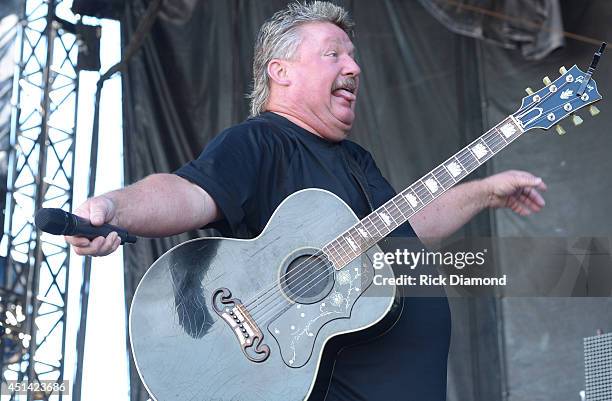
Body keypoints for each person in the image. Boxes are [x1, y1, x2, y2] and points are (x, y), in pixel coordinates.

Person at [66, 2, 546, 400]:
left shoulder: (355, 160)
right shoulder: (260, 142)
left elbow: (406, 229)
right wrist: (114, 207)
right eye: (332, 54)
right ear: (281, 71)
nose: (353, 67)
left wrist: (485, 190)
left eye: (353, 56)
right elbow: (189, 190)